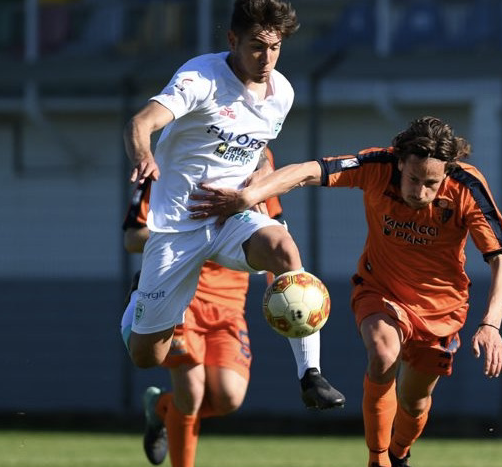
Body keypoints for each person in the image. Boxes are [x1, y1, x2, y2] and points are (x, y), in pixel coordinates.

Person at [187, 115, 502, 467]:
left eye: (431, 184)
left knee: (415, 401)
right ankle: (377, 459)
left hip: (442, 308)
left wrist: (491, 324)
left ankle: (399, 453)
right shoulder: (377, 166)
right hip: (380, 289)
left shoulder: (467, 187)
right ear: (400, 161)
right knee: (383, 352)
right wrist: (249, 196)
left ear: (446, 174)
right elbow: (306, 171)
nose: (420, 192)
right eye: (413, 179)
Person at [121, 0, 313, 370]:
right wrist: (144, 155)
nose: (267, 58)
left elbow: (256, 146)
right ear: (232, 39)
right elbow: (140, 123)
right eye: (257, 47)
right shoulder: (200, 77)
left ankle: (311, 373)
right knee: (147, 357)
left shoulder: (282, 92)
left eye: (275, 48)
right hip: (179, 225)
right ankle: (137, 307)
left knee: (284, 248)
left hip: (230, 218)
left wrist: (260, 173)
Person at [123, 148, 345, 467]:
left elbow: (274, 231)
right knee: (192, 391)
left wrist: (282, 289)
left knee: (229, 398)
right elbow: (132, 238)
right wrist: (189, 231)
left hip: (229, 301)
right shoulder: (172, 163)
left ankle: (161, 407)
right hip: (184, 292)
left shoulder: (254, 166)